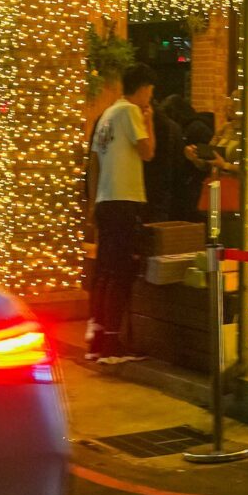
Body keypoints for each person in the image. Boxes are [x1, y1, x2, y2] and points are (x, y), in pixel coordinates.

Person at [86, 64, 158, 364]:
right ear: (142, 88)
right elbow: (148, 152)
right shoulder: (130, 112)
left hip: (105, 200)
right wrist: (149, 122)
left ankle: (97, 340)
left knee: (103, 271)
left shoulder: (106, 115)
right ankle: (114, 344)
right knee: (120, 270)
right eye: (150, 92)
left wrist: (92, 204)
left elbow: (93, 162)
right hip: (124, 200)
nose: (150, 98)